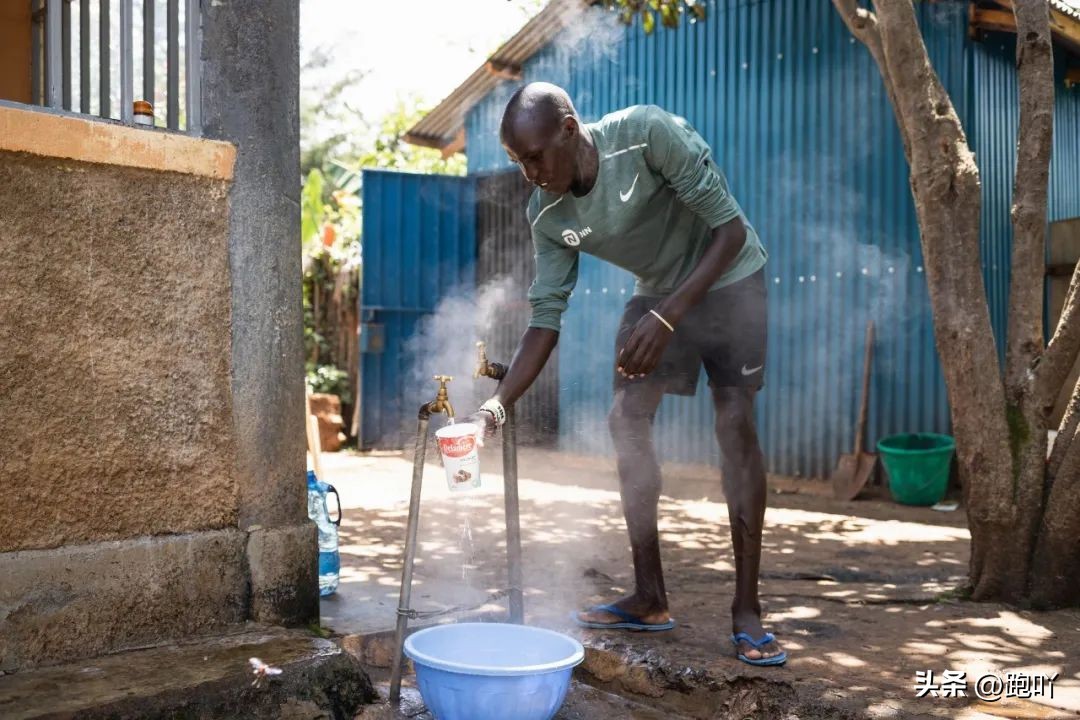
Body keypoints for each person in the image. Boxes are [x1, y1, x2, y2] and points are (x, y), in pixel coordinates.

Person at [464, 82, 784, 666]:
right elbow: (544, 319)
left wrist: (668, 316)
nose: (530, 173)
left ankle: (746, 609)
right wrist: (495, 408)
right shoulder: (547, 214)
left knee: (734, 421)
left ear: (569, 129)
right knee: (625, 418)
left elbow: (730, 230)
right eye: (518, 162)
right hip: (659, 293)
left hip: (732, 274)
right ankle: (649, 596)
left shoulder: (644, 134)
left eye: (536, 156)